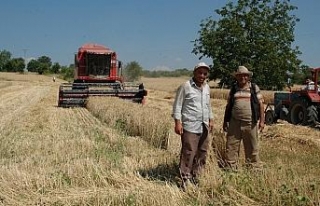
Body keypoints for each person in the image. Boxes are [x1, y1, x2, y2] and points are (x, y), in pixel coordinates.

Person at [172, 62, 214, 190]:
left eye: (205, 73)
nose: (202, 75)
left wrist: (211, 118)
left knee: (202, 151)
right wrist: (178, 123)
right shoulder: (186, 86)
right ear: (194, 73)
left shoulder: (207, 87)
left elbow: (208, 105)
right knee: (189, 152)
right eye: (200, 73)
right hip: (190, 125)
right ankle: (185, 178)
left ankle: (197, 176)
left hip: (204, 124)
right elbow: (177, 105)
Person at [223, 66, 265, 171]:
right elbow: (228, 106)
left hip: (250, 123)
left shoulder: (254, 88)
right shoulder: (233, 89)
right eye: (240, 75)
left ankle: (254, 169)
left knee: (252, 147)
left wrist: (262, 122)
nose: (243, 77)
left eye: (245, 75)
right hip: (234, 123)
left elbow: (261, 105)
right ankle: (231, 168)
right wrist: (225, 121)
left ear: (248, 77)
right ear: (236, 77)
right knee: (231, 146)